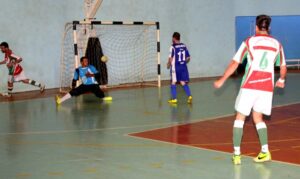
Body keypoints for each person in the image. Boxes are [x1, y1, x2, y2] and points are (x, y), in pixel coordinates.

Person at [214, 15, 287, 165]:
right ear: (269, 27)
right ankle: (265, 152)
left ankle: (236, 155)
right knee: (258, 118)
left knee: (240, 118)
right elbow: (283, 67)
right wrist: (281, 79)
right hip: (266, 87)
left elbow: (235, 63)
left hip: (250, 85)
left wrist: (222, 79)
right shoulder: (277, 44)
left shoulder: (249, 42)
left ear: (256, 27)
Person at [167, 32, 192, 104]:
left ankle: (174, 99)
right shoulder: (184, 46)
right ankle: (189, 96)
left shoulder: (172, 47)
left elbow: (171, 58)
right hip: (183, 67)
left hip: (176, 67)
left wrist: (168, 64)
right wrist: (183, 62)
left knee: (173, 82)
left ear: (174, 38)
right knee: (182, 81)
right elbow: (188, 57)